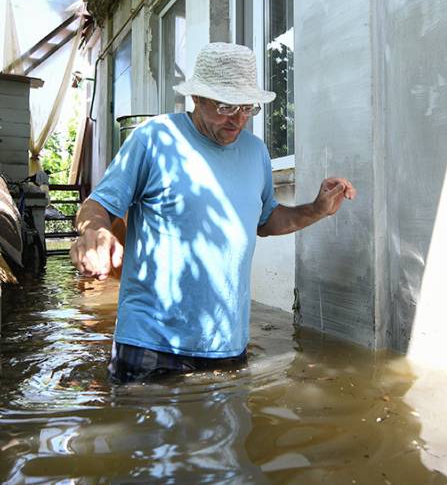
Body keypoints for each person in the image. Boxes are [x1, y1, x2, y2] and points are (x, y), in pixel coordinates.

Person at [70, 42, 356, 383]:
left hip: (226, 343)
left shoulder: (255, 152)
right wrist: (94, 232)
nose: (237, 119)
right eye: (225, 107)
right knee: (139, 433)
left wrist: (317, 209)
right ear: (196, 98)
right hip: (150, 343)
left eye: (246, 108)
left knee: (224, 434)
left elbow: (265, 221)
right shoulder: (154, 139)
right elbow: (97, 204)